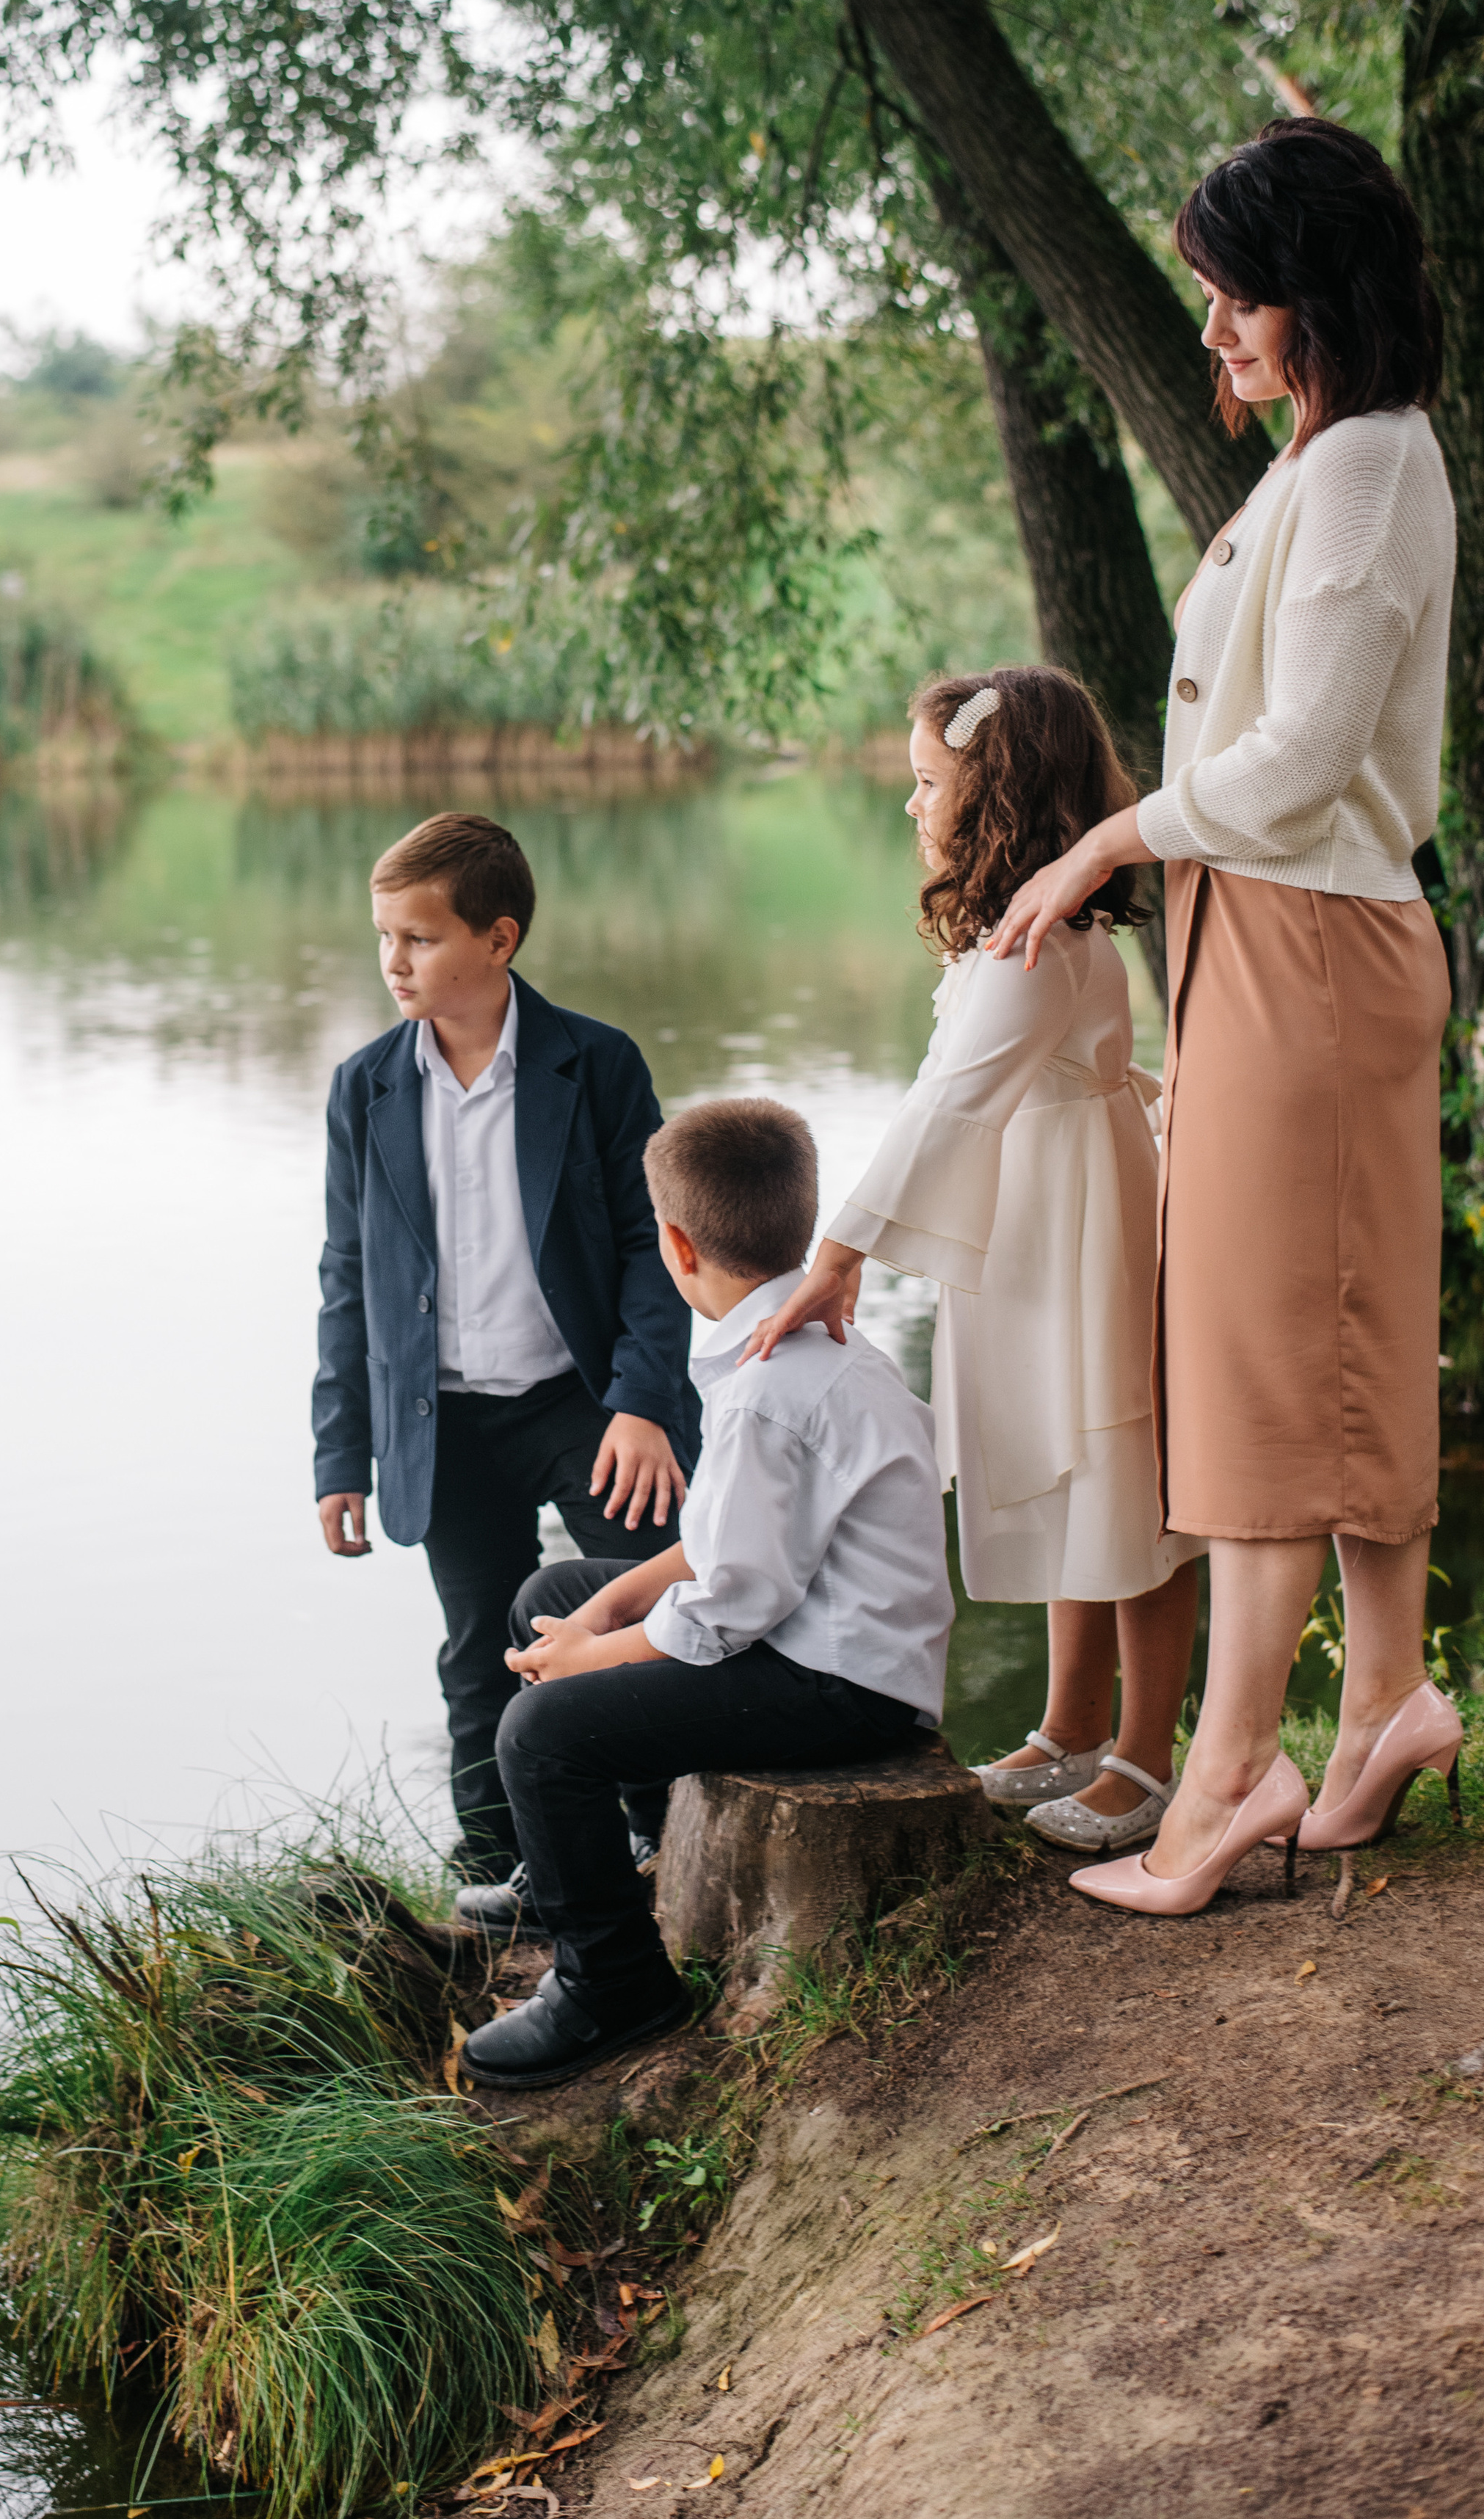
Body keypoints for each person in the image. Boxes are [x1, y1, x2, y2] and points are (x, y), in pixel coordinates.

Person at [986, 117, 1461, 1915]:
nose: (1205, 335)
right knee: (1325, 1331)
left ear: (1312, 299)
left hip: (1304, 938)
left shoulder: (1358, 474)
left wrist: (1110, 832)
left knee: (1263, 1363)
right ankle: (1388, 1698)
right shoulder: (1329, 462)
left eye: (1228, 298)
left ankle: (1226, 1774)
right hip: (1274, 939)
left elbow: (1296, 761)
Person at [745, 665, 1203, 1854]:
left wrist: (837, 1257)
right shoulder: (1017, 934)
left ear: (992, 791)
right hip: (1037, 1214)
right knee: (1062, 1465)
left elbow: (947, 1107)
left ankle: (1149, 1757)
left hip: (1078, 1219)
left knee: (1121, 1475)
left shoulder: (1038, 948)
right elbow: (944, 1100)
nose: (911, 807)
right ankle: (1068, 1727)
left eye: (927, 783)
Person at [459, 1096, 952, 2091]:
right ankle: (628, 1852)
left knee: (538, 1735)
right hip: (805, 1632)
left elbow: (731, 1605)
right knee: (554, 1587)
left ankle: (615, 1986)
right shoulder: (791, 1345)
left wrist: (581, 1663)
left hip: (843, 1685)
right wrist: (600, 1612)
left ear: (676, 1247)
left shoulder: (770, 1384)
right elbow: (722, 1541)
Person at [313, 811, 700, 1889]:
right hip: (445, 1421)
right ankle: (503, 1872)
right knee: (478, 1653)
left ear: (499, 938)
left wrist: (642, 1401)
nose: (395, 961)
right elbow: (348, 1277)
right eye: (384, 938)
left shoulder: (598, 1065)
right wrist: (342, 1454)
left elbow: (651, 1249)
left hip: (588, 1406)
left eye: (420, 939)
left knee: (655, 1619)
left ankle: (675, 1853)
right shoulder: (365, 1088)